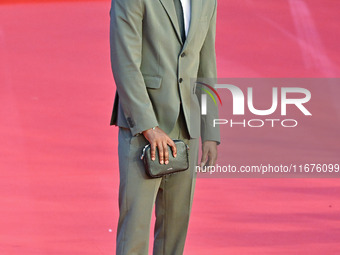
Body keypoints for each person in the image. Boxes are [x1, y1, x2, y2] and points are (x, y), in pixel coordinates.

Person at [109, 0, 220, 254]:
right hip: (143, 133)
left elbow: (206, 65)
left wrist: (210, 129)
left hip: (186, 128)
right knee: (134, 235)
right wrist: (149, 126)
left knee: (174, 235)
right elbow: (125, 62)